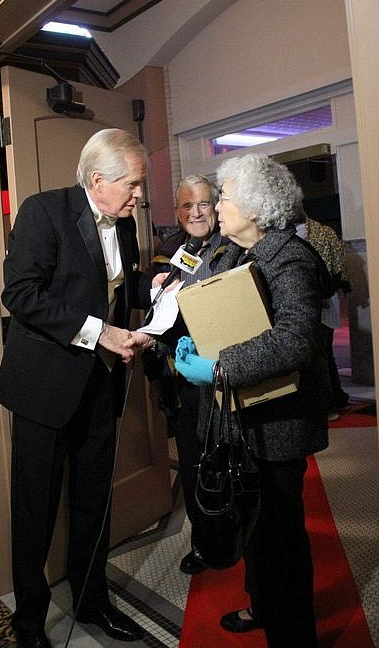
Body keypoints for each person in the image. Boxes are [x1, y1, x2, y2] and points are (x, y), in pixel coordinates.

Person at [0, 128, 157, 648]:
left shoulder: (126, 224)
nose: (139, 196)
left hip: (99, 387)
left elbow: (115, 287)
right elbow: (20, 294)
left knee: (94, 503)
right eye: (132, 184)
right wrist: (99, 332)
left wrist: (150, 288)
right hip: (43, 390)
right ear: (97, 180)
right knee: (35, 512)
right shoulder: (44, 211)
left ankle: (92, 602)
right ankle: (28, 625)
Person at [174, 153, 332, 648]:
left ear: (257, 206)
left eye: (225, 196)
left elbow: (294, 341)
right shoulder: (231, 251)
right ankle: (264, 606)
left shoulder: (290, 257)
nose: (217, 206)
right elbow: (206, 302)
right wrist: (191, 340)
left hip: (277, 421)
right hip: (241, 418)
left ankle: (293, 638)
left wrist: (218, 367)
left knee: (280, 537)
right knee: (255, 530)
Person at [149, 175, 227, 575]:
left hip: (231, 372)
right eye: (187, 206)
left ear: (216, 205)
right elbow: (156, 321)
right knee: (195, 462)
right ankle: (205, 543)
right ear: (177, 212)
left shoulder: (236, 245)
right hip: (184, 378)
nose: (196, 213)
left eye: (204, 204)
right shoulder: (167, 253)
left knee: (232, 460)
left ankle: (239, 537)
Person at [295, 211, 351, 420]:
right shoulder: (323, 231)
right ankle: (337, 399)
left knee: (320, 357)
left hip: (319, 301)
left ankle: (329, 404)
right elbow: (340, 268)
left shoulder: (300, 235)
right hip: (323, 300)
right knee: (325, 355)